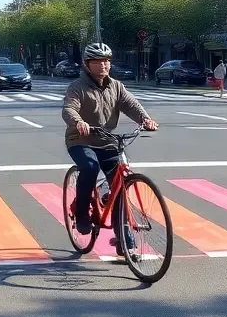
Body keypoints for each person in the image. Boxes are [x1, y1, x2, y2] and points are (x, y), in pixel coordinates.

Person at [62, 42, 158, 256]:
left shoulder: (116, 86)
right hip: (81, 140)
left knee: (120, 187)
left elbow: (130, 105)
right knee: (89, 167)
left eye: (107, 61)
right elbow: (69, 108)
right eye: (98, 61)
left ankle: (123, 237)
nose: (104, 65)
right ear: (87, 64)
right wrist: (78, 122)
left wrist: (146, 119)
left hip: (107, 141)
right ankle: (82, 216)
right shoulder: (77, 87)